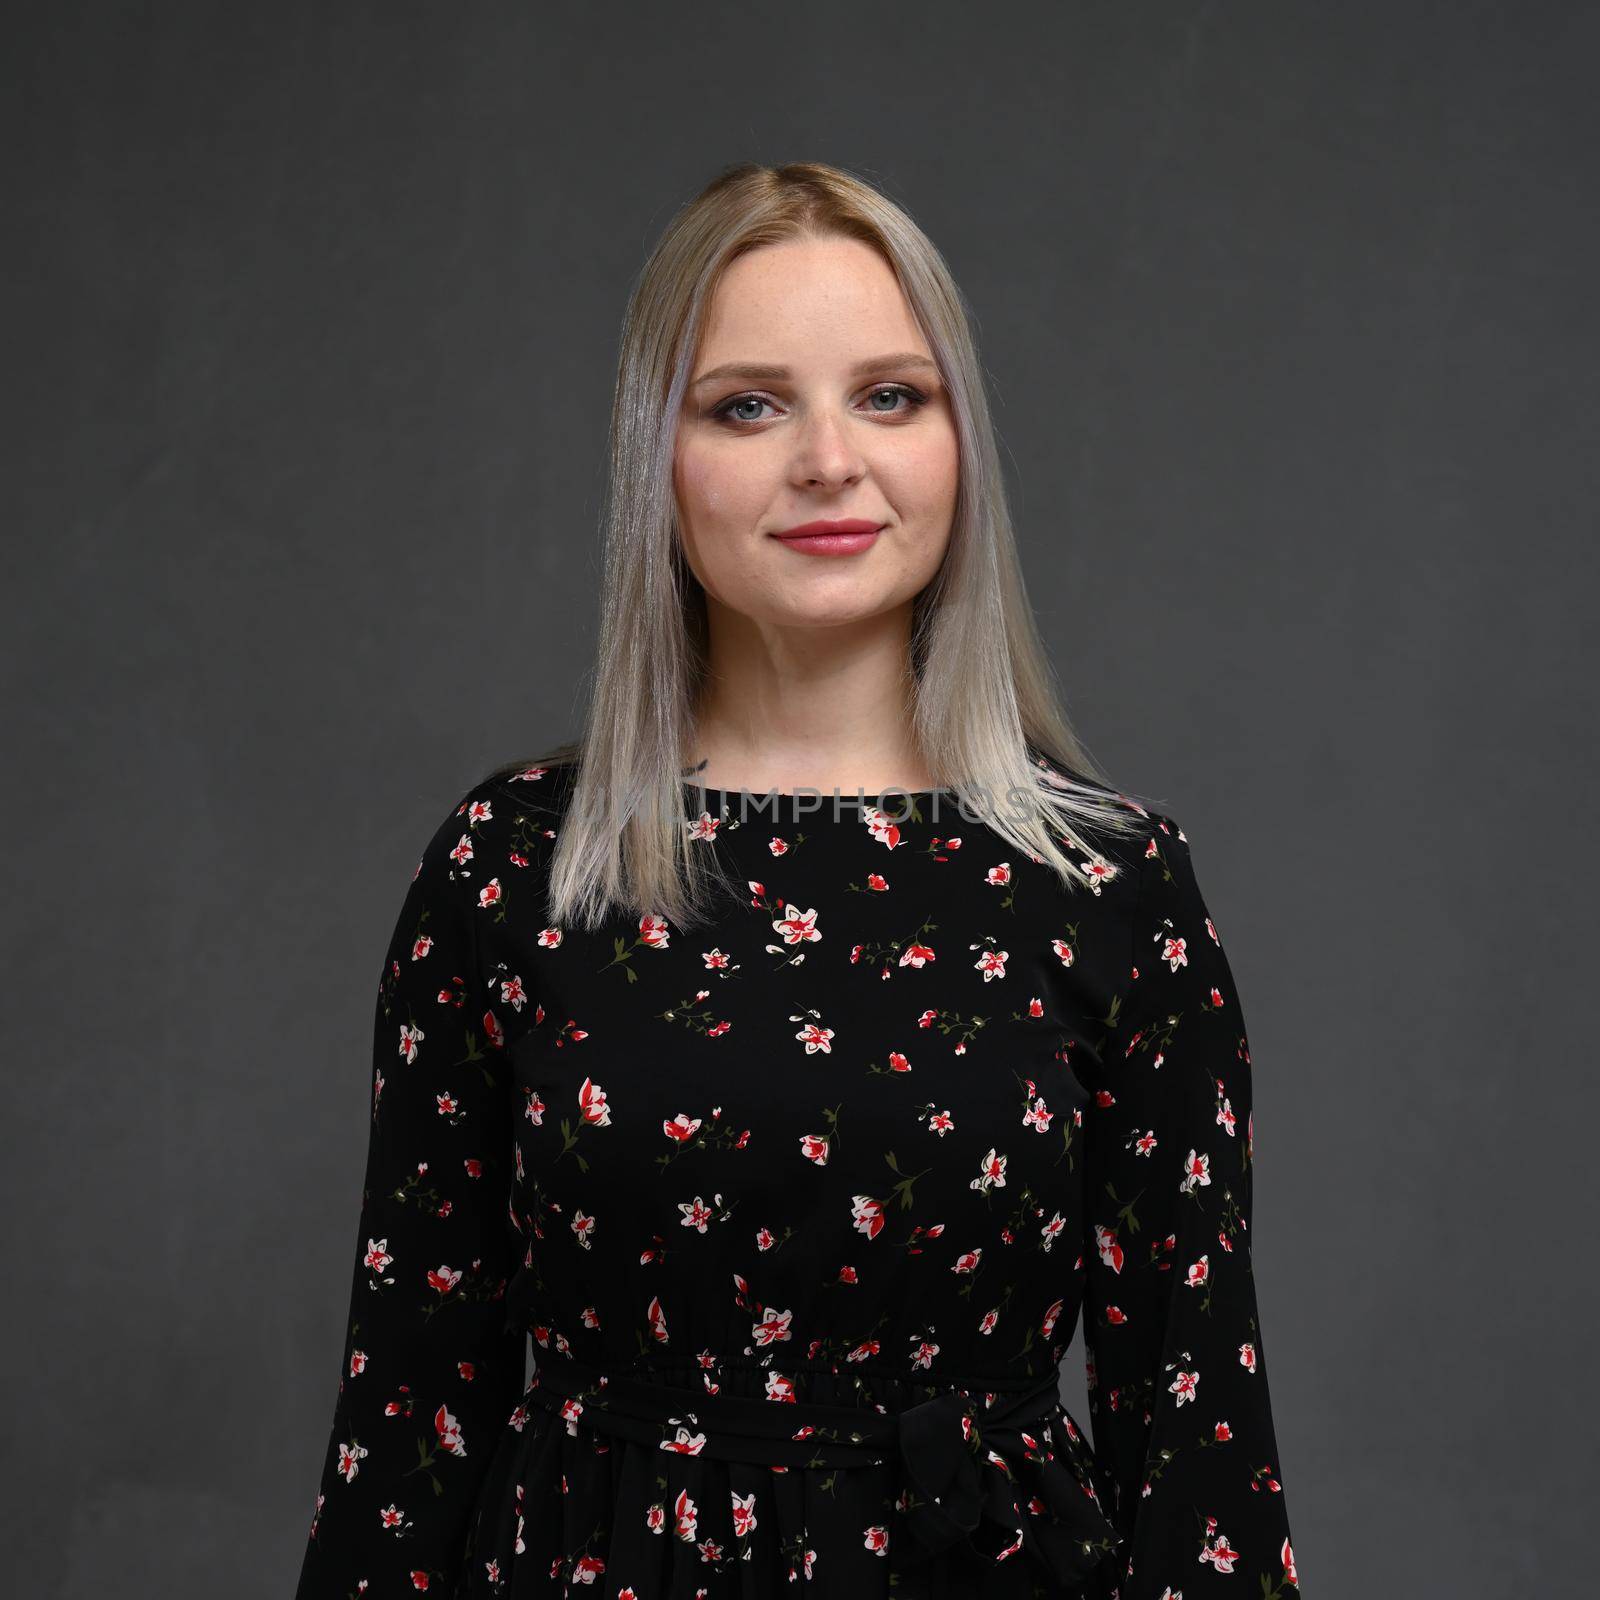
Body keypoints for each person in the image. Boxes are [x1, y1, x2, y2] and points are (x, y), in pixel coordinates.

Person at [292, 160, 1302, 1599]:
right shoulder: (516, 866)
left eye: (891, 395)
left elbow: (1199, 1433)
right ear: (661, 456)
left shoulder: (1111, 885)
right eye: (748, 404)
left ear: (961, 440)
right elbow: (409, 1416)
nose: (830, 459)